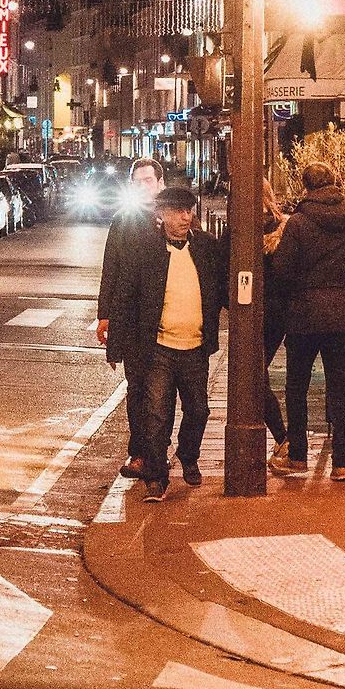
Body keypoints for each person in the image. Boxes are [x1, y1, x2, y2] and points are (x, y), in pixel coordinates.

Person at [109, 184, 226, 502]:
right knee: (157, 413)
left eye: (188, 211)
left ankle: (188, 456)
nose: (184, 218)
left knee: (199, 410)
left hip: (195, 345)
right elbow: (125, 296)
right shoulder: (145, 249)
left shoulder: (205, 247)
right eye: (177, 212)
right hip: (159, 346)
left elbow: (222, 289)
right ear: (161, 215)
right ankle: (156, 477)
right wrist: (116, 345)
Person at [268, 161, 345, 482]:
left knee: (297, 386)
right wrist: (343, 288)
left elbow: (282, 271)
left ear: (306, 187)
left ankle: (298, 456)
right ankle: (342, 463)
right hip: (341, 313)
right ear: (335, 183)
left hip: (303, 315)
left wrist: (300, 289)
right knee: (340, 387)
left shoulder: (298, 224)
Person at [96, 155, 165, 479]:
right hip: (133, 322)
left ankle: (159, 452)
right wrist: (105, 317)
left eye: (148, 181)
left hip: (168, 320)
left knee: (163, 392)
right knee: (137, 390)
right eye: (137, 182)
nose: (142, 187)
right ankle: (139, 454)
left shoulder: (173, 218)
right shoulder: (123, 222)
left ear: (159, 183)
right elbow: (111, 270)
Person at [261, 177, 290, 455]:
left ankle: (284, 438)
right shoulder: (284, 227)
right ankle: (284, 438)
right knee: (257, 375)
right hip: (278, 314)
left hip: (259, 312)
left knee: (254, 377)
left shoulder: (244, 230)